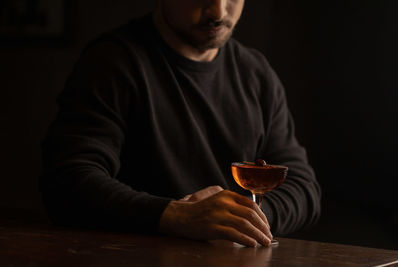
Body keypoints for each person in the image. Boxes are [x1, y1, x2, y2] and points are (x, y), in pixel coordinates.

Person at [40, 0, 321, 247]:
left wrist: (242, 219)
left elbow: (304, 188)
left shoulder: (256, 73)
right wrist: (176, 216)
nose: (219, 11)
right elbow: (68, 182)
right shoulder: (113, 62)